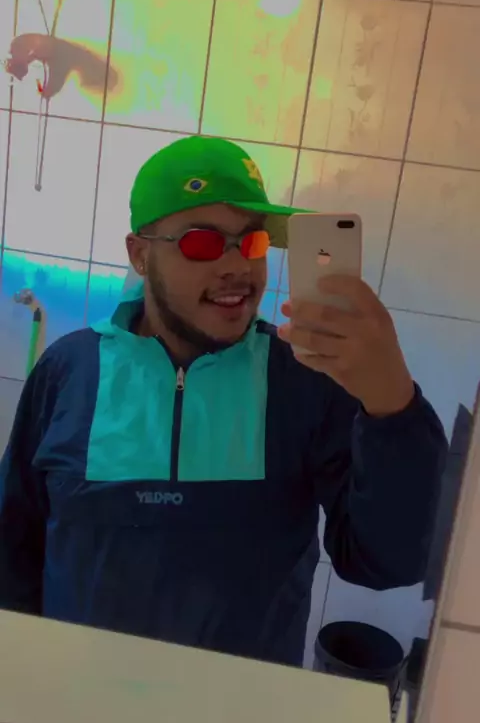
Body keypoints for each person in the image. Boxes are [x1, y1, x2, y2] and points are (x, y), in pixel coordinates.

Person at [0, 136, 447, 667]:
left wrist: (392, 402)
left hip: (243, 713)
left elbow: (388, 563)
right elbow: (12, 548)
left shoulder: (302, 380)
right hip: (77, 703)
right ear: (140, 254)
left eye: (252, 241)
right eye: (203, 242)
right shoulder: (70, 372)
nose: (238, 265)